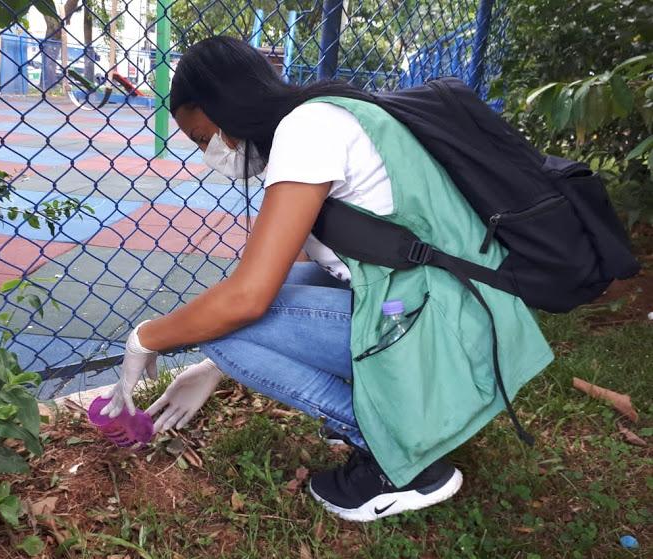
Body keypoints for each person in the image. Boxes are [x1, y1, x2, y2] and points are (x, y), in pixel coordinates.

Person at [101, 36, 554, 522]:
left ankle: (396, 455)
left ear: (225, 107)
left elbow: (249, 299)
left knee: (230, 327)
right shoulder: (322, 117)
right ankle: (403, 412)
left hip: (444, 320)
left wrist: (144, 340)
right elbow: (282, 272)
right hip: (451, 305)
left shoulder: (307, 131)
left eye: (202, 137)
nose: (208, 152)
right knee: (260, 303)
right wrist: (213, 367)